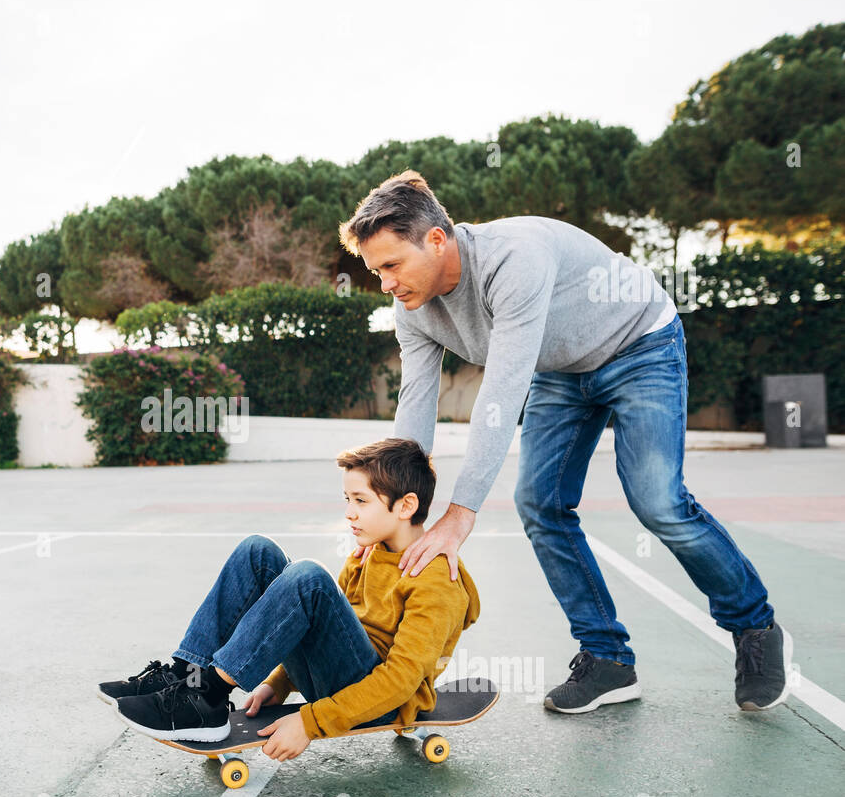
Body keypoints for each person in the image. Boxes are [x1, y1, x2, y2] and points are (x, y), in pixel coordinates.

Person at [338, 169, 792, 714]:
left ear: (436, 239)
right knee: (541, 503)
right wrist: (395, 512)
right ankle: (608, 660)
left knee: (658, 501)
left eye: (392, 265)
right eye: (374, 271)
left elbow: (501, 395)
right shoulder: (412, 309)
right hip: (561, 371)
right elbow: (415, 410)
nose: (385, 282)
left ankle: (755, 628)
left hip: (638, 345)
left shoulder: (512, 259)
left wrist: (459, 515)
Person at [99, 437, 481, 762]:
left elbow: (399, 683)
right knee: (258, 551)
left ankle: (208, 696)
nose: (349, 513)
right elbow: (320, 630)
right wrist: (279, 683)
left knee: (309, 578)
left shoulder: (436, 583)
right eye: (347, 498)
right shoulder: (370, 552)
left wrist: (309, 722)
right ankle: (189, 677)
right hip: (340, 677)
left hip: (378, 703)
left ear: (405, 506)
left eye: (361, 501)